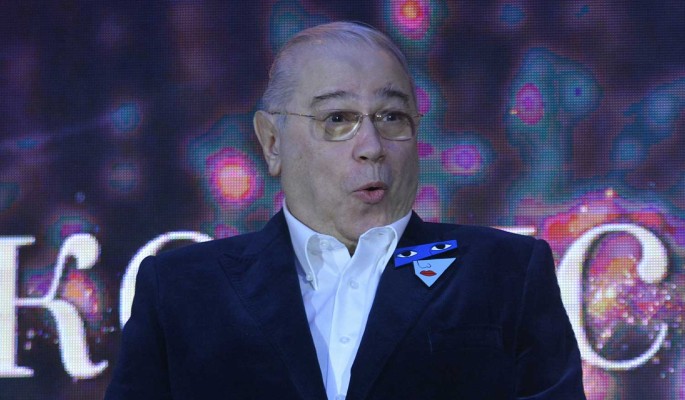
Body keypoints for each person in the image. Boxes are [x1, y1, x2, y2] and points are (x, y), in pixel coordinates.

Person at [105, 21, 586, 399]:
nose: (372, 146)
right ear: (272, 142)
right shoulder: (181, 289)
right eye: (337, 119)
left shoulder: (506, 272)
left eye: (392, 117)